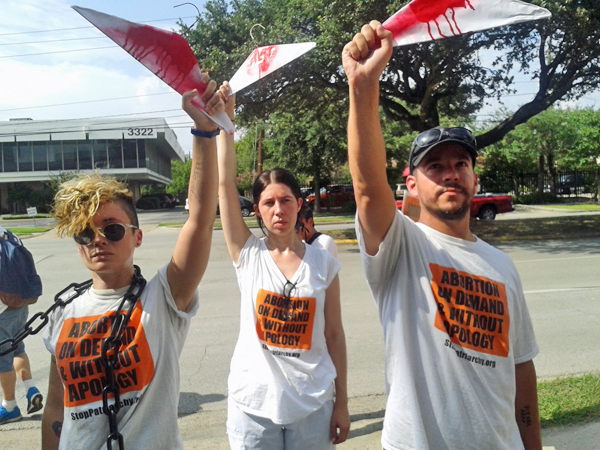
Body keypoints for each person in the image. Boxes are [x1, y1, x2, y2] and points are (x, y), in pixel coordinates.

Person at [342, 22, 541, 450]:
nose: (450, 173)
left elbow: (521, 367)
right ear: (411, 185)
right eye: (435, 166)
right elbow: (366, 184)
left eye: (460, 164)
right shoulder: (400, 245)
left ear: (474, 176)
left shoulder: (503, 266)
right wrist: (362, 87)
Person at [40, 78, 223, 449]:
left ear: (137, 236)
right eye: (85, 234)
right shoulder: (63, 313)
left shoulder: (164, 298)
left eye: (111, 229)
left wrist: (204, 134)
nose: (98, 241)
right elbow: (57, 409)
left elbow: (201, 219)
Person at [217, 82, 350, 449]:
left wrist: (342, 402)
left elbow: (334, 336)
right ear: (257, 209)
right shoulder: (248, 254)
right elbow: (225, 184)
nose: (279, 210)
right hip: (253, 408)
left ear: (299, 204)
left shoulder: (324, 261)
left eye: (286, 200)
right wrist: (227, 124)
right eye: (269, 203)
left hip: (313, 406)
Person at [0, 228, 44, 424]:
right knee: (18, 348)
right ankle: (31, 388)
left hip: (2, 310)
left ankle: (10, 406)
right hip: (20, 302)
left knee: (2, 360)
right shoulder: (9, 234)